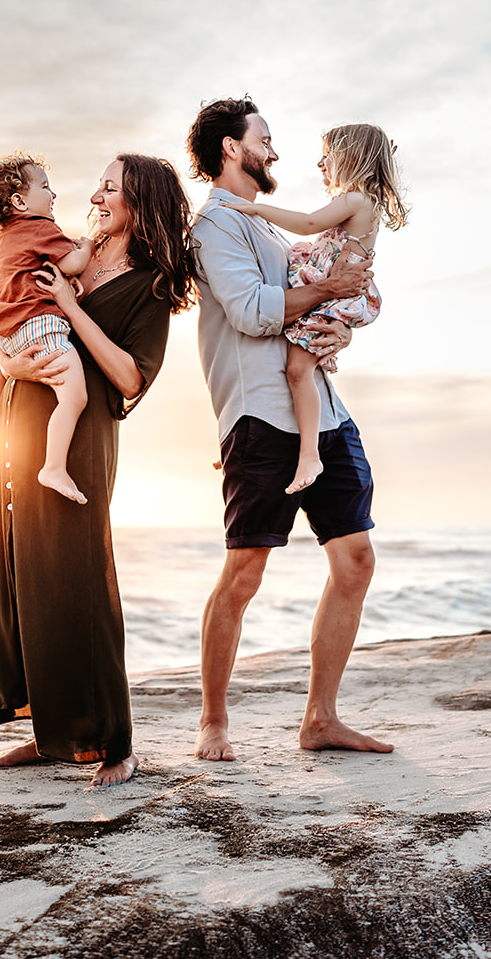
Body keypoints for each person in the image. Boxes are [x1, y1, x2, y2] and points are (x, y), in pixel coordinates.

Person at [0, 153, 197, 787]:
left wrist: (72, 308)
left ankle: (114, 744)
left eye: (111, 187)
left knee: (77, 580)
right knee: (21, 576)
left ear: (139, 202)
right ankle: (50, 735)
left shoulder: (149, 283)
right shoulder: (62, 248)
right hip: (17, 426)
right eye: (98, 183)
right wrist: (8, 363)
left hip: (79, 439)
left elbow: (128, 377)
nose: (95, 194)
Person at [186, 97, 394, 761]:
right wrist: (324, 292)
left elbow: (315, 304)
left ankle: (321, 718)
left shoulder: (276, 233)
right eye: (265, 139)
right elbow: (250, 311)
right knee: (244, 574)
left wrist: (338, 329)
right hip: (261, 416)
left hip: (324, 411)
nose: (275, 151)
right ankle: (213, 721)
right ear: (230, 147)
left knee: (355, 560)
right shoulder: (216, 224)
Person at [224, 123, 408, 493]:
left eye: (328, 156)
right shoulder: (363, 203)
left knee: (297, 370)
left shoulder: (356, 201)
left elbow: (308, 224)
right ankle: (270, 442)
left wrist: (256, 210)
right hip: (335, 295)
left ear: (351, 158)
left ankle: (309, 453)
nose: (321, 164)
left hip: (335, 297)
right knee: (297, 369)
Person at [0, 154, 94, 504]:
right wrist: (87, 245)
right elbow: (75, 263)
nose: (54, 195)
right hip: (39, 326)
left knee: (4, 372)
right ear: (20, 201)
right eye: (46, 187)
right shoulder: (39, 228)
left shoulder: (5, 239)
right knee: (74, 397)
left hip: (7, 328)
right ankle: (53, 467)